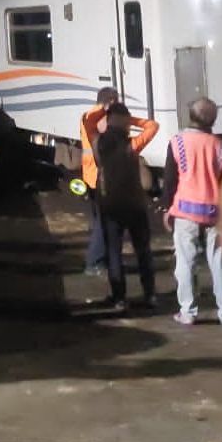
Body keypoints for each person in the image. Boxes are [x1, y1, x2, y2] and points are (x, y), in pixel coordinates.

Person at [161, 97, 222, 326]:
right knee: (218, 263)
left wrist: (166, 207)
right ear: (213, 120)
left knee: (186, 263)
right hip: (215, 212)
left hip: (185, 211)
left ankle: (188, 312)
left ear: (190, 116)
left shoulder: (177, 142)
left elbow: (170, 179)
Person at [86, 101, 159, 312]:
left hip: (111, 204)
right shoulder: (133, 145)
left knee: (114, 252)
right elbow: (153, 125)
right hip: (135, 203)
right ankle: (150, 294)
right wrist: (131, 120)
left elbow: (88, 121)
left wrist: (103, 110)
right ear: (125, 123)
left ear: (107, 122)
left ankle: (119, 298)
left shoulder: (98, 142)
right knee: (143, 251)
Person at [80, 87, 118, 273]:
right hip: (101, 177)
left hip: (90, 176)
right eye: (116, 101)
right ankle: (94, 262)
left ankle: (101, 260)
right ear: (109, 101)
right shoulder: (100, 118)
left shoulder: (87, 115)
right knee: (104, 222)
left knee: (99, 220)